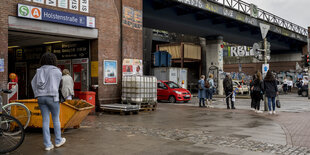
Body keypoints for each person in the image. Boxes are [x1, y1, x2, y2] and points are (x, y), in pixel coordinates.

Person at [31, 52, 66, 150]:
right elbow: (59, 85)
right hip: (53, 97)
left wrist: (37, 93)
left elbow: (33, 82)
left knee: (45, 121)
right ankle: (58, 141)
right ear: (54, 60)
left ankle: (47, 145)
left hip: (41, 97)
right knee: (55, 119)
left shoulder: (39, 71)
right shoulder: (57, 71)